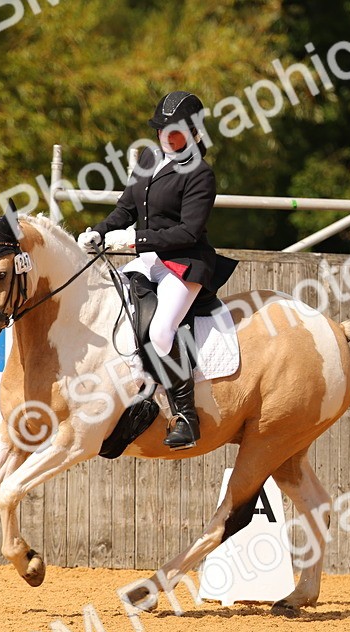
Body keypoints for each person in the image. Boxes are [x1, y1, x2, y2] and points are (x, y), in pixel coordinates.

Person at [77, 90, 236, 450]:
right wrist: (99, 231)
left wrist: (134, 242)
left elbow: (188, 231)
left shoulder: (200, 174)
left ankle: (185, 416)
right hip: (148, 261)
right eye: (162, 129)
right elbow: (125, 209)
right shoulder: (149, 158)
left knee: (163, 331)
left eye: (175, 130)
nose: (166, 136)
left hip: (183, 264)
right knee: (115, 314)